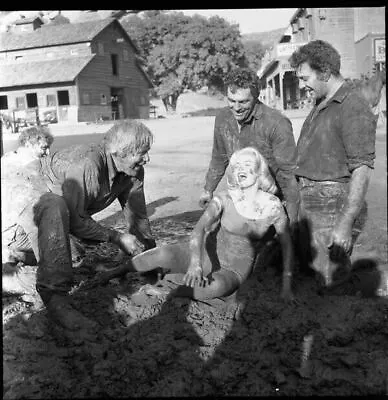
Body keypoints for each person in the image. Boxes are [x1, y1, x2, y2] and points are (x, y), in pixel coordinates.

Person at [2, 120, 156, 331]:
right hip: (17, 218)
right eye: (142, 152)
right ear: (121, 151)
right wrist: (118, 237)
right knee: (54, 208)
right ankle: (55, 299)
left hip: (51, 225)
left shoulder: (133, 171)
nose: (147, 158)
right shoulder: (87, 163)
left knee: (75, 256)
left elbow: (137, 216)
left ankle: (16, 264)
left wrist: (151, 257)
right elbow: (76, 221)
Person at [92, 147, 294, 302]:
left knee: (218, 286)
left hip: (233, 269)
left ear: (260, 172)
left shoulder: (272, 206)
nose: (240, 170)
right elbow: (198, 231)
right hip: (204, 254)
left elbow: (287, 246)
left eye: (246, 165)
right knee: (163, 254)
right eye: (236, 166)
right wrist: (195, 264)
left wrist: (286, 283)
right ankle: (116, 271)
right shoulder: (224, 199)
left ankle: (167, 291)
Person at [289, 40, 376, 287]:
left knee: (329, 280)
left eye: (305, 78)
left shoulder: (353, 106)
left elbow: (362, 169)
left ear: (325, 72)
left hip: (330, 203)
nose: (302, 84)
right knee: (311, 271)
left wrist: (345, 223)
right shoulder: (323, 102)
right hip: (310, 199)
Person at [198, 67, 299, 230]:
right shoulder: (222, 118)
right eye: (231, 100)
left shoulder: (276, 123)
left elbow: (289, 176)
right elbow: (218, 158)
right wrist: (208, 189)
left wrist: (293, 220)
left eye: (243, 102)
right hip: (241, 197)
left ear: (256, 96)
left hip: (272, 200)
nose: (236, 108)